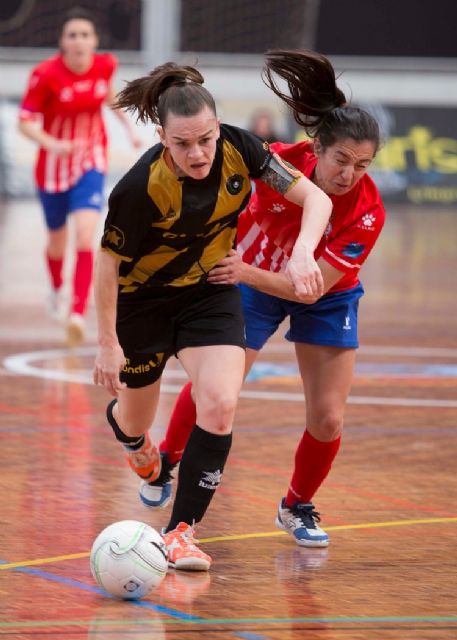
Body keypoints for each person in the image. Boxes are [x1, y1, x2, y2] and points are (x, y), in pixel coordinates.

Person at [92, 60, 332, 572]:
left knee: (220, 404)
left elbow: (315, 198)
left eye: (205, 139)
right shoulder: (139, 189)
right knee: (135, 419)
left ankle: (181, 532)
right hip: (142, 303)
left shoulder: (242, 149)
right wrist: (108, 343)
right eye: (183, 144)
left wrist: (303, 254)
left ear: (218, 127)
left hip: (209, 291)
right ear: (162, 138)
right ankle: (131, 436)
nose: (197, 153)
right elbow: (107, 264)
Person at [144, 49, 385, 549]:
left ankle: (295, 504)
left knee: (329, 418)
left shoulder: (368, 212)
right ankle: (167, 458)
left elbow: (309, 287)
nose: (349, 175)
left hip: (318, 295)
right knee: (216, 390)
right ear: (316, 148)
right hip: (252, 282)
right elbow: (209, 169)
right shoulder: (278, 162)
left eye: (362, 165)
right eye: (341, 160)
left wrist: (244, 271)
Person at [18, 8, 141, 347]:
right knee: (57, 242)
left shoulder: (105, 65)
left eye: (85, 35)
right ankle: (57, 288)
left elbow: (108, 95)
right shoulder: (45, 74)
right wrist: (52, 144)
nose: (79, 41)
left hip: (90, 160)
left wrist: (129, 128)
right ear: (62, 42)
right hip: (53, 167)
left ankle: (76, 312)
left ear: (94, 41)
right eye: (72, 35)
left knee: (86, 236)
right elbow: (24, 122)